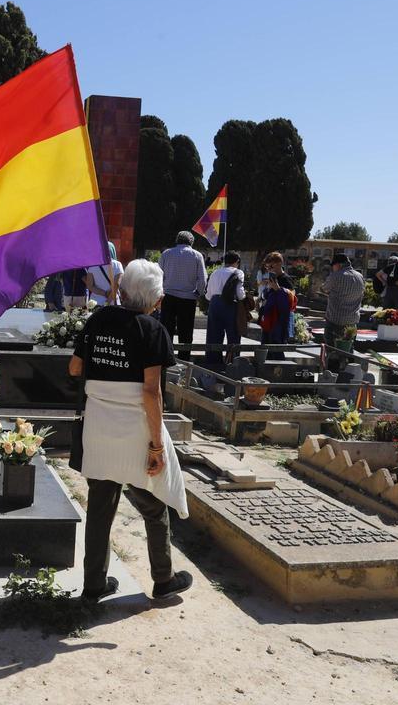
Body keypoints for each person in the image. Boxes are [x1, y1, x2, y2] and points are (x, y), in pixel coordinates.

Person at [69, 259, 192, 603]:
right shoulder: (153, 330)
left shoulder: (97, 320)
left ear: (121, 292)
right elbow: (151, 392)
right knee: (153, 505)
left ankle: (94, 585)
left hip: (99, 427)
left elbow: (75, 367)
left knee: (100, 509)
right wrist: (157, 446)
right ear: (157, 300)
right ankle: (163, 579)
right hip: (135, 431)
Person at [158, 231, 207, 363]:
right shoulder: (197, 255)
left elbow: (158, 275)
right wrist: (198, 293)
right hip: (188, 298)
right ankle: (184, 360)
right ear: (191, 242)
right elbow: (202, 279)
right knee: (186, 331)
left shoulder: (166, 254)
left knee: (166, 329)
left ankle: (165, 358)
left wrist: (160, 291)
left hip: (168, 296)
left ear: (177, 240)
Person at [322, 253, 364, 368]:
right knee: (349, 348)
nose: (332, 268)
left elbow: (324, 288)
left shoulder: (336, 276)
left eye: (333, 265)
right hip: (352, 320)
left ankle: (333, 372)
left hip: (335, 319)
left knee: (332, 349)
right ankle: (350, 372)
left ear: (339, 265)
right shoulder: (360, 276)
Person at [204, 252, 245, 364]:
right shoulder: (238, 272)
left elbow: (208, 295)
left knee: (213, 335)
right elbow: (240, 294)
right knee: (233, 336)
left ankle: (213, 361)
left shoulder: (215, 273)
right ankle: (232, 362)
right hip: (230, 304)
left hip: (215, 304)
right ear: (237, 262)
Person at [259, 272, 296, 359]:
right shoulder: (269, 290)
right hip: (268, 323)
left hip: (277, 325)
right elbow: (265, 298)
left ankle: (279, 366)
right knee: (267, 348)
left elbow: (285, 307)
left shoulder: (285, 289)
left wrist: (278, 289)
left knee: (276, 350)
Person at [87, 241, 125, 307]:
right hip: (113, 303)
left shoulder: (92, 265)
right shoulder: (118, 265)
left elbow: (90, 286)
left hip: (95, 302)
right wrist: (108, 302)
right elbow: (116, 285)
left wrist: (104, 293)